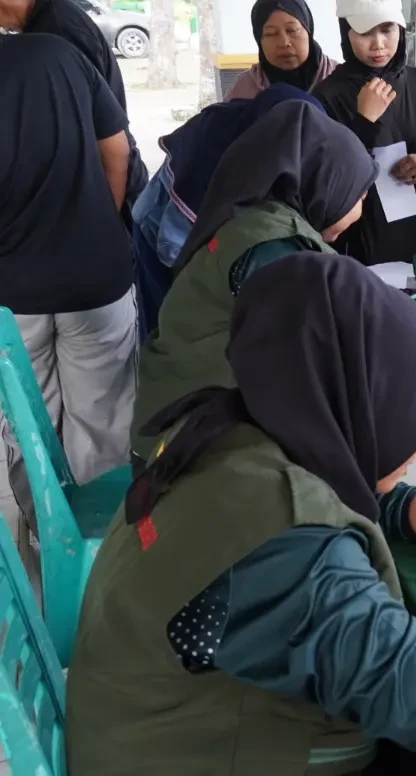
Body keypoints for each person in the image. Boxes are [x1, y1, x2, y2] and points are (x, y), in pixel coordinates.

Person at [67, 253, 416, 774]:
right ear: (365, 406)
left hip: (152, 727)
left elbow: (324, 484)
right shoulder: (293, 549)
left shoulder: (233, 424)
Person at [130, 101, 378, 465]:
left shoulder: (255, 221)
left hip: (180, 429)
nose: (361, 210)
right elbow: (312, 361)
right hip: (193, 457)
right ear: (327, 183)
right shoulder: (273, 246)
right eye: (360, 195)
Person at [0, 34, 138, 537]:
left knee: (27, 422)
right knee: (104, 416)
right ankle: (105, 540)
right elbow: (116, 147)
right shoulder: (58, 55)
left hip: (13, 294)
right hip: (94, 275)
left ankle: (49, 535)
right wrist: (101, 218)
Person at [131, 84, 326, 340]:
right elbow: (178, 249)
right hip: (159, 230)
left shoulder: (257, 133)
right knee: (169, 323)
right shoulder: (213, 154)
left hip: (176, 225)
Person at [314, 0, 416, 264]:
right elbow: (329, 179)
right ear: (346, 32)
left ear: (401, 30)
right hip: (369, 246)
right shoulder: (328, 96)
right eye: (365, 32)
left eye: (387, 30)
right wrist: (364, 121)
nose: (378, 44)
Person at [0, 0, 148, 224]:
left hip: (108, 186)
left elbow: (109, 139)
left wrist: (109, 218)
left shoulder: (57, 30)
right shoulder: (48, 21)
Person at [226, 0, 338, 99]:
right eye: (271, 33)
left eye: (292, 30)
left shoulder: (339, 81)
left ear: (309, 31)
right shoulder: (243, 90)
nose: (284, 43)